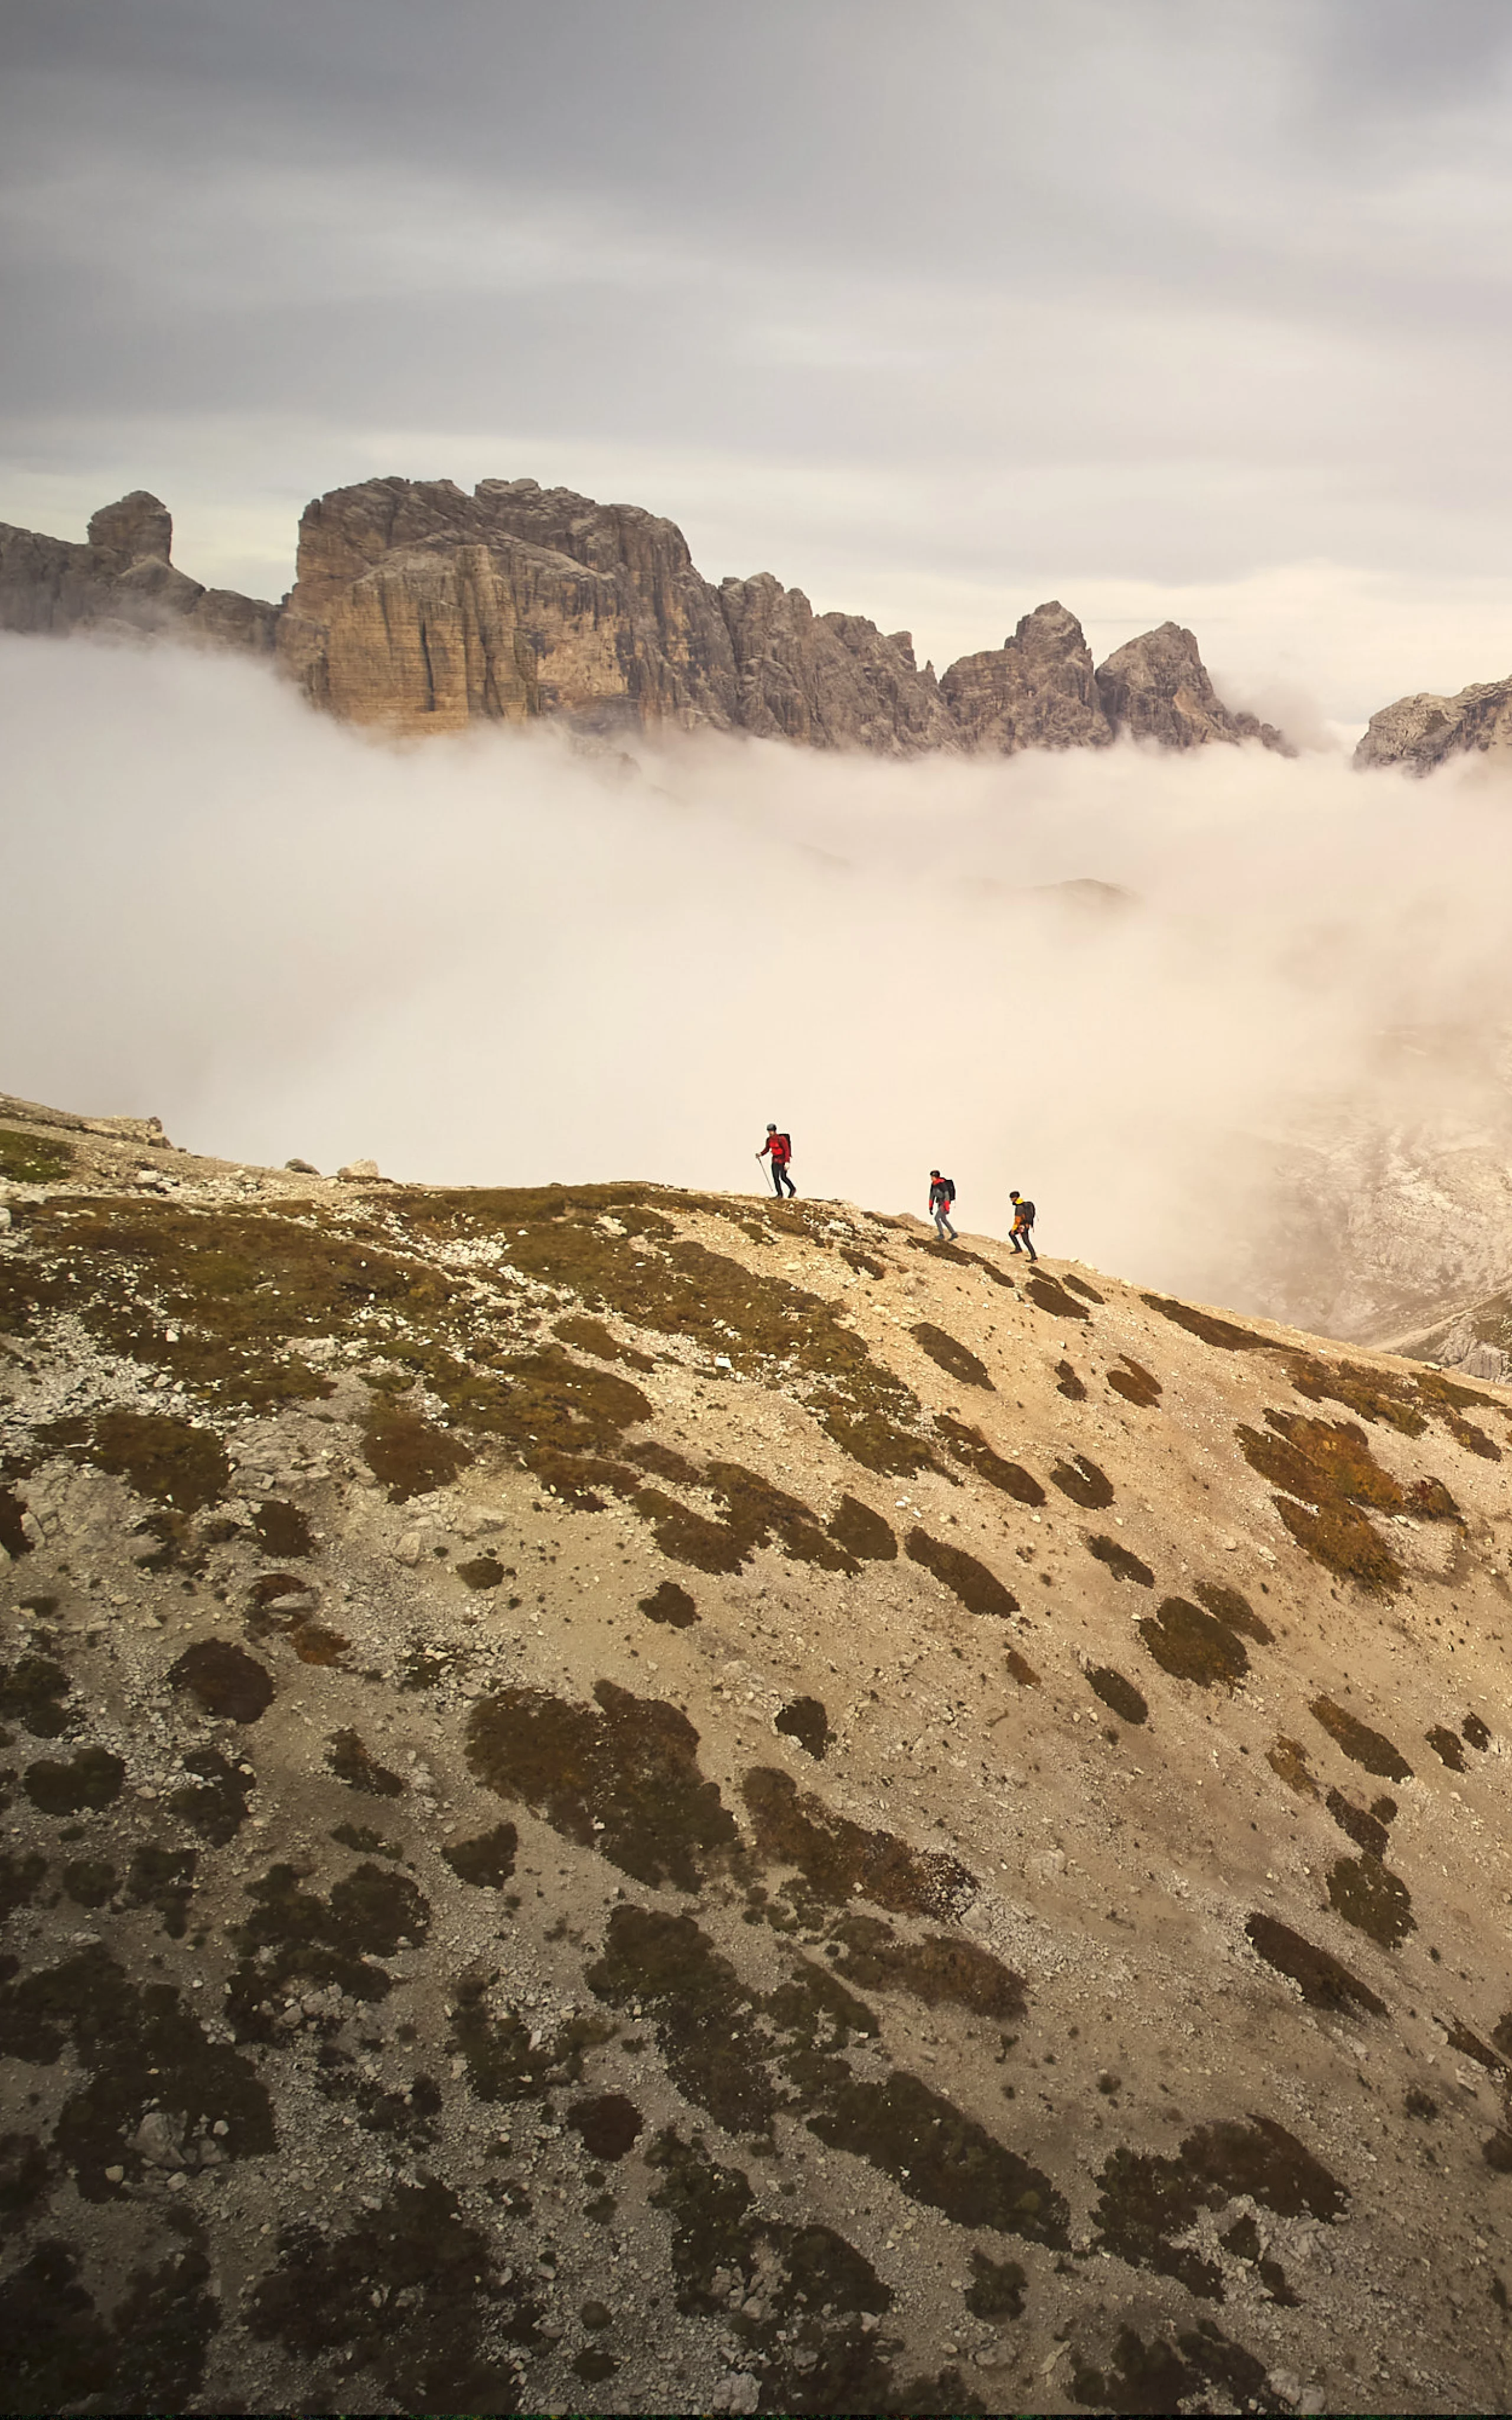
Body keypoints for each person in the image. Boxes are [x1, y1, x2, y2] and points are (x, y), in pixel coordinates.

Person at [760, 1123, 796, 1197]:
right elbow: (767, 1149)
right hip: (775, 1161)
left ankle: (792, 1189)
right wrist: (761, 1154)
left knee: (783, 1177)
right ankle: (780, 1194)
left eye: (771, 1131)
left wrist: (787, 1162)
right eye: (769, 1131)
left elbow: (786, 1150)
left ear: (775, 1131)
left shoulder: (781, 1139)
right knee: (775, 1177)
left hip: (783, 1161)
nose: (770, 1132)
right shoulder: (769, 1140)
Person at [1008, 1189, 1038, 1261]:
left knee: (1025, 1240)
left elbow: (1017, 1220)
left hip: (1022, 1226)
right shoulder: (1024, 1205)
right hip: (1026, 1225)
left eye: (1012, 1198)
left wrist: (1013, 1229)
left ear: (1015, 1198)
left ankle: (1033, 1257)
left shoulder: (1019, 1207)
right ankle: (1020, 1250)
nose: (1011, 1200)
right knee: (1026, 1240)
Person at [928, 1169, 957, 1241]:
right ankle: (954, 1234)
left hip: (944, 1204)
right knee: (943, 1219)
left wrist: (947, 1208)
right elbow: (931, 1196)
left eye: (933, 1177)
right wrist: (930, 1207)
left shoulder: (942, 1184)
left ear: (936, 1177)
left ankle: (941, 1235)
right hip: (940, 1203)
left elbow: (947, 1196)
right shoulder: (933, 1185)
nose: (932, 1178)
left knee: (937, 1218)